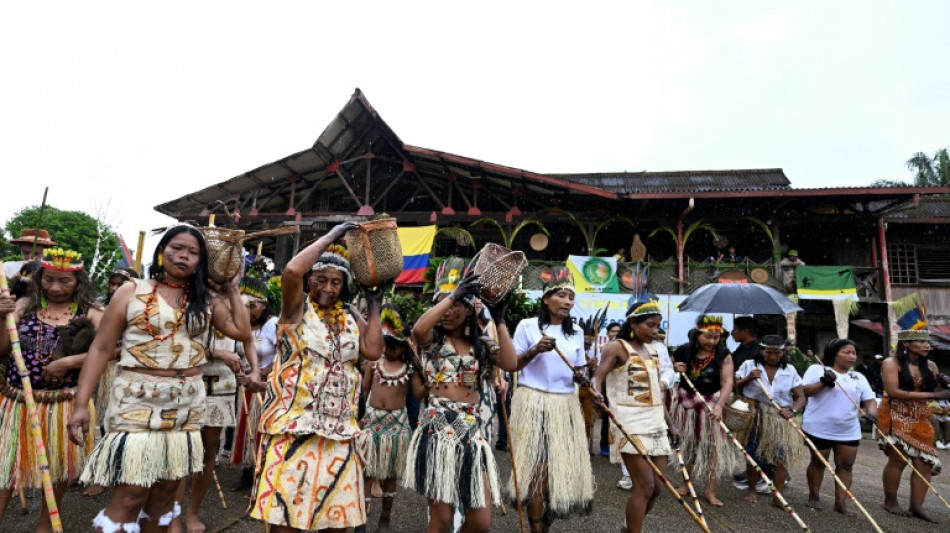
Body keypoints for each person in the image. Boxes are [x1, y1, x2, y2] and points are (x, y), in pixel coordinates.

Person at [67, 225, 253, 533]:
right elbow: (101, 348)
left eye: (193, 252)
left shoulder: (205, 299)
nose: (183, 256)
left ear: (202, 261)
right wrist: (81, 404)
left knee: (166, 495)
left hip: (186, 404)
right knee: (131, 493)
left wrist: (232, 289)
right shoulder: (131, 291)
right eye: (176, 248)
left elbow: (241, 332)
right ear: (161, 251)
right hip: (136, 400)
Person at [250, 224, 384, 533]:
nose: (328, 287)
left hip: (340, 433)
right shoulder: (296, 310)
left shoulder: (350, 314)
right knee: (286, 521)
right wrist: (332, 236)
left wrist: (374, 303)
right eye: (321, 279)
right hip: (295, 430)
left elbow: (373, 351)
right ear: (310, 279)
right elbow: (291, 272)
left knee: (336, 523)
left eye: (336, 282)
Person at [403, 258, 517, 533]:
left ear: (469, 310)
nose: (448, 310)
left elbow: (512, 364)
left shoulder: (482, 346)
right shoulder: (432, 342)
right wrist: (453, 293)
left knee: (480, 523)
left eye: (456, 304)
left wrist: (499, 319)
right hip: (437, 434)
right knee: (441, 521)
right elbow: (418, 331)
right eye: (443, 303)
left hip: (471, 436)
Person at [0, 248, 102, 533]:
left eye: (64, 282)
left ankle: (45, 525)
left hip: (65, 404)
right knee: (6, 469)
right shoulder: (22, 306)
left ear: (79, 283)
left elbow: (111, 350)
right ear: (39, 279)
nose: (55, 288)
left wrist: (72, 361)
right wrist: (0, 318)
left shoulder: (92, 312)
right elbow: (1, 350)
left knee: (58, 468)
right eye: (49, 280)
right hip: (19, 402)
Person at [509, 267, 593, 531]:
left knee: (562, 473)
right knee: (540, 470)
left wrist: (583, 376)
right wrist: (535, 350)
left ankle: (545, 521)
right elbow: (513, 364)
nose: (568, 301)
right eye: (562, 295)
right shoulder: (527, 326)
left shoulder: (575, 332)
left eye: (571, 297)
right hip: (534, 404)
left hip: (565, 406)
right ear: (546, 299)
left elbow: (579, 370)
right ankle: (536, 527)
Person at [593, 299, 678, 533]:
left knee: (658, 487)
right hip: (629, 420)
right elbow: (598, 377)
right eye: (650, 325)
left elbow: (655, 393)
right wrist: (596, 393)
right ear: (633, 322)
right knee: (644, 485)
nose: (655, 331)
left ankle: (628, 527)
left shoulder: (652, 351)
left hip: (655, 420)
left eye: (657, 326)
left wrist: (670, 424)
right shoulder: (617, 347)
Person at [878, 328, 950, 523]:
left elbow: (933, 390)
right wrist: (934, 395)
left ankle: (917, 506)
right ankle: (890, 501)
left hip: (920, 416)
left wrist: (943, 385)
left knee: (925, 463)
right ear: (906, 344)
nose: (926, 345)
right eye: (920, 341)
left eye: (927, 342)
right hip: (895, 413)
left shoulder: (931, 365)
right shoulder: (890, 363)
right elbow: (893, 391)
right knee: (898, 459)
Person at [356, 327, 423, 533]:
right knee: (367, 472)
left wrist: (429, 377)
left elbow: (418, 395)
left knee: (391, 475)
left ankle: (385, 518)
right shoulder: (373, 365)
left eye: (392, 346)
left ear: (403, 349)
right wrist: (358, 419)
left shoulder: (409, 368)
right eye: (385, 344)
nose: (387, 349)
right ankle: (361, 520)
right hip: (372, 421)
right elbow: (364, 392)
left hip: (397, 425)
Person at [800, 339, 877, 515]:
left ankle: (840, 503)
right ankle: (814, 496)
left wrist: (871, 412)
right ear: (834, 354)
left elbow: (870, 400)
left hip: (848, 429)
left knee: (846, 465)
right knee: (819, 462)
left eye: (854, 353)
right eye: (847, 352)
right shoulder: (817, 369)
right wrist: (823, 382)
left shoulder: (858, 376)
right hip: (819, 427)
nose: (852, 357)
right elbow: (805, 392)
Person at [671, 315, 740, 507]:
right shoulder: (683, 350)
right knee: (689, 445)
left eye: (716, 337)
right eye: (707, 337)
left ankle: (710, 490)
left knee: (712, 448)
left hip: (711, 404)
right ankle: (686, 485)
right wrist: (674, 367)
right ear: (697, 334)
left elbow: (728, 382)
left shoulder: (723, 354)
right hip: (687, 403)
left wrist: (719, 405)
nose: (712, 341)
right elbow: (665, 369)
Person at [733, 335, 806, 507]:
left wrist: (793, 410)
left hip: (779, 417)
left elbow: (801, 397)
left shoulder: (790, 370)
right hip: (755, 414)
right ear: (761, 350)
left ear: (783, 352)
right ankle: (752, 489)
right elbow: (735, 388)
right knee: (752, 455)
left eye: (777, 353)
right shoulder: (749, 365)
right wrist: (749, 378)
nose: (773, 356)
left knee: (780, 458)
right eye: (768, 352)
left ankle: (778, 496)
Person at [230, 276, 279, 491]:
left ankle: (261, 477)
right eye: (244, 305)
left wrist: (262, 374)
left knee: (261, 429)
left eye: (254, 305)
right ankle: (246, 472)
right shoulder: (239, 326)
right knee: (245, 427)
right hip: (245, 385)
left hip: (266, 387)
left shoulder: (272, 324)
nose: (249, 310)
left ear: (265, 305)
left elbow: (282, 355)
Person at [599, 322, 622, 457]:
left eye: (618, 331)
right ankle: (605, 445)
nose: (616, 333)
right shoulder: (604, 348)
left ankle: (619, 445)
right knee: (608, 417)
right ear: (608, 334)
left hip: (622, 388)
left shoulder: (626, 348)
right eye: (613, 331)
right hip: (607, 386)